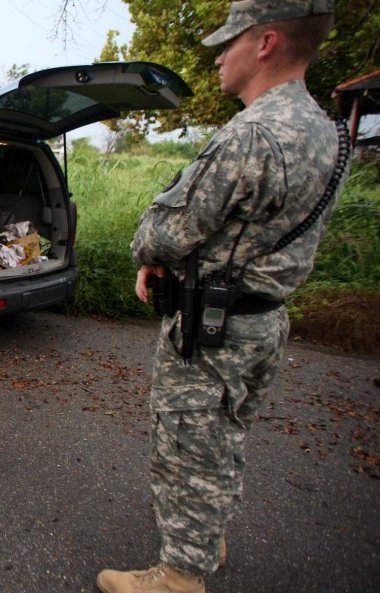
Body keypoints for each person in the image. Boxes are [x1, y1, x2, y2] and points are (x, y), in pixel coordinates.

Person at [96, 2, 346, 593]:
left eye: (227, 42)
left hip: (212, 328)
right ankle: (206, 536)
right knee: (225, 435)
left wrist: (149, 252)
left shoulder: (253, 135)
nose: (217, 56)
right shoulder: (326, 130)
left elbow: (166, 229)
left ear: (265, 43)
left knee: (186, 443)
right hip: (263, 325)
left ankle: (180, 576)